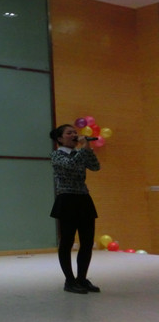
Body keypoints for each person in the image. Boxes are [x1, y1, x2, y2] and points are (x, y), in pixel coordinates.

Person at [49, 124, 101, 294]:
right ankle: (69, 281)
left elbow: (95, 166)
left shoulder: (80, 152)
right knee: (67, 241)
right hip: (67, 199)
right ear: (60, 138)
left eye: (75, 132)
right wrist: (84, 148)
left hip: (83, 199)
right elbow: (71, 164)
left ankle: (82, 279)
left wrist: (87, 148)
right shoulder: (56, 155)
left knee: (87, 242)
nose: (74, 135)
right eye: (69, 133)